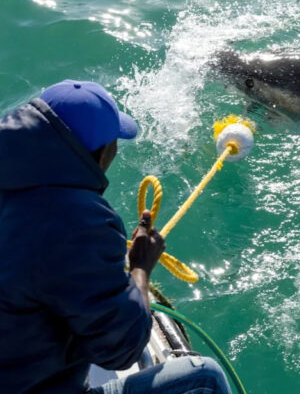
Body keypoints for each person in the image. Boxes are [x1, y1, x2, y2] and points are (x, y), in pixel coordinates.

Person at [0, 81, 231, 393]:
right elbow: (122, 349)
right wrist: (140, 267)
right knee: (204, 377)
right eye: (114, 143)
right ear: (100, 153)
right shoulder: (80, 223)